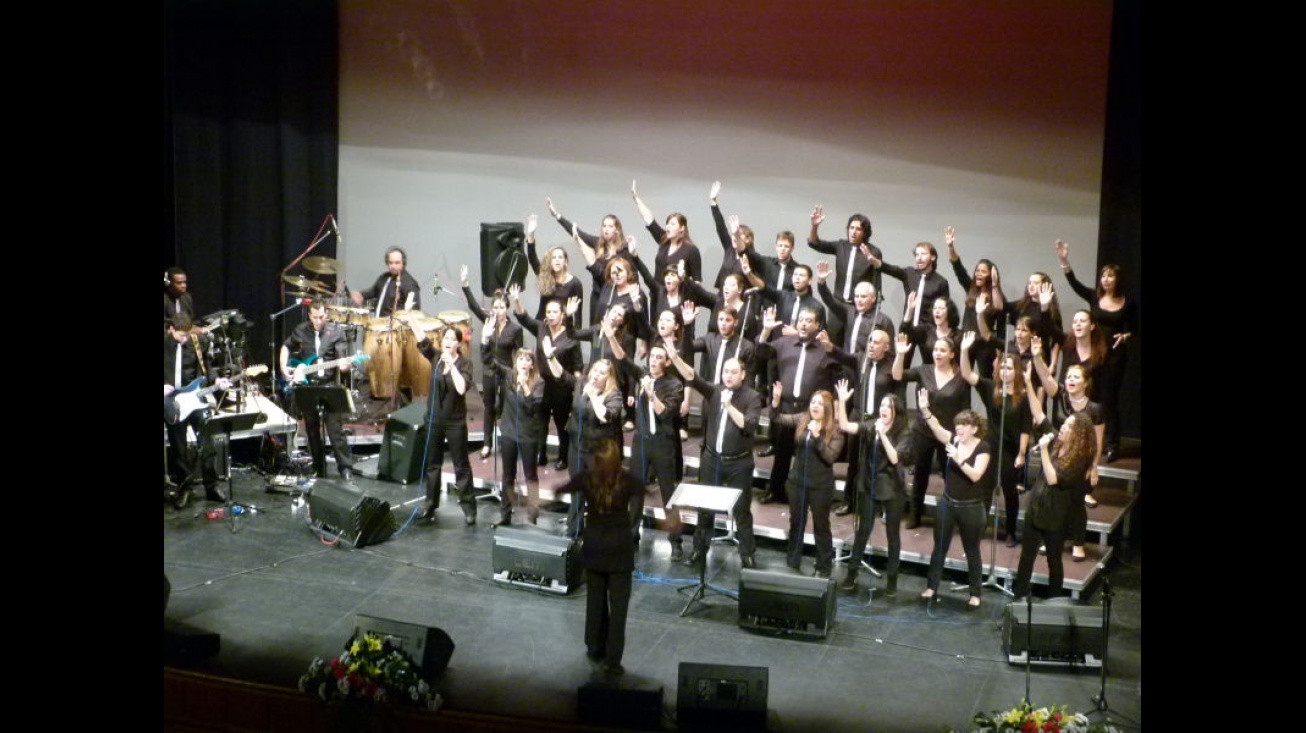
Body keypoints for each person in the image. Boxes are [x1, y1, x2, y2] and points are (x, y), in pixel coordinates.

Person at [553, 439, 642, 677]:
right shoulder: (628, 480)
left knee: (595, 601)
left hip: (594, 548)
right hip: (619, 551)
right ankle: (613, 661)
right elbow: (644, 493)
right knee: (619, 608)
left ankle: (594, 647)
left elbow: (559, 490)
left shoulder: (586, 478)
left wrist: (534, 499)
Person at [753, 306, 856, 504]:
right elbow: (761, 351)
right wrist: (766, 330)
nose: (803, 324)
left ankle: (806, 495)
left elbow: (839, 378)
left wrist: (835, 407)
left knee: (809, 452)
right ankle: (776, 490)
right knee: (781, 453)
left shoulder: (825, 349)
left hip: (812, 411)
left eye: (808, 320)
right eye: (801, 320)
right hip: (786, 407)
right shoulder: (784, 342)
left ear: (817, 325)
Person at [672, 356, 764, 569]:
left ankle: (747, 554)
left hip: (738, 463)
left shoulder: (752, 397)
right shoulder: (715, 391)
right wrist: (675, 356)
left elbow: (748, 425)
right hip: (712, 459)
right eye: (725, 371)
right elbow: (691, 376)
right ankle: (699, 549)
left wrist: (730, 406)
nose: (728, 375)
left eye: (733, 372)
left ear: (742, 374)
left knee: (741, 511)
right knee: (705, 509)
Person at [1056, 239, 1138, 462]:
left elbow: (1135, 327)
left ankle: (1112, 444)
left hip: (1114, 356)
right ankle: (1089, 441)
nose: (1106, 279)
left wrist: (1126, 335)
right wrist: (1065, 261)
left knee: (1108, 400)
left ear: (1117, 279)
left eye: (1110, 276)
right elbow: (1075, 284)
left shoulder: (1127, 302)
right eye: (1104, 276)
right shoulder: (1094, 296)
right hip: (1094, 354)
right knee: (1090, 396)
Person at [834, 381, 912, 596]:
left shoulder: (903, 432)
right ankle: (851, 575)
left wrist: (883, 435)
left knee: (892, 534)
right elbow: (845, 426)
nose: (883, 409)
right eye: (882, 406)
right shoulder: (871, 425)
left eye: (888, 406)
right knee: (862, 532)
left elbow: (896, 458)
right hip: (870, 484)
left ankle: (892, 580)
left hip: (893, 486)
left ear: (896, 411)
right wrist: (841, 402)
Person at [1012, 406, 1097, 599]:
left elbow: (1053, 479)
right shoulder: (1056, 442)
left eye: (1069, 427)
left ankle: (1054, 600)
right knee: (1026, 557)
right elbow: (1041, 417)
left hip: (1056, 516)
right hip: (1036, 509)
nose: (1063, 428)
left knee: (1053, 560)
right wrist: (1028, 382)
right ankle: (1018, 597)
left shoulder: (1080, 460)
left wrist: (1042, 450)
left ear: (1078, 434)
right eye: (1064, 424)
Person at [915, 398, 992, 610]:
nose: (959, 428)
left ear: (974, 428)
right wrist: (924, 409)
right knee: (939, 547)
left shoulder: (983, 447)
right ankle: (932, 587)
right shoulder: (953, 441)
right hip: (948, 504)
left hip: (971, 508)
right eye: (958, 424)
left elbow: (976, 475)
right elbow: (936, 427)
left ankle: (975, 593)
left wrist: (958, 458)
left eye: (964, 425)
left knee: (972, 550)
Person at [1029, 343, 1103, 562]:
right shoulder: (1060, 395)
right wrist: (1037, 357)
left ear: (1086, 382)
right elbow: (1045, 376)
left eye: (1076, 377)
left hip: (1079, 464)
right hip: (1056, 456)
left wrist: (1094, 466)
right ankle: (1052, 539)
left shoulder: (1095, 409)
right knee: (1053, 500)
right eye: (1068, 376)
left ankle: (1078, 543)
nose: (1070, 380)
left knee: (1075, 503)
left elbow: (1097, 441)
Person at [891, 332, 971, 529]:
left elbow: (965, 409)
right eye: (936, 350)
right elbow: (897, 375)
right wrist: (900, 354)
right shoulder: (923, 370)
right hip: (923, 431)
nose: (937, 353)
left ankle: (949, 517)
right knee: (920, 474)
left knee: (950, 476)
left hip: (947, 435)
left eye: (942, 350)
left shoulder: (961, 377)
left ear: (952, 354)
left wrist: (962, 437)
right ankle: (915, 515)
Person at [959, 334, 1032, 548]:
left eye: (1009, 368)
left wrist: (1021, 453)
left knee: (1010, 490)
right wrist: (964, 350)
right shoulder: (991, 388)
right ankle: (980, 526)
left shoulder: (1023, 396)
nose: (1005, 371)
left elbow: (1026, 428)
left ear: (1017, 371)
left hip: (1011, 449)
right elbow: (966, 374)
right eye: (1002, 368)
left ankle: (1010, 531)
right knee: (985, 488)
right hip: (990, 446)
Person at [769, 385, 845, 578]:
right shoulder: (803, 419)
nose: (815, 406)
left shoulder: (835, 431)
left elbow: (830, 457)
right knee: (796, 523)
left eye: (819, 403)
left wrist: (818, 436)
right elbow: (777, 418)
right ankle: (792, 562)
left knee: (821, 526)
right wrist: (776, 402)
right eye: (813, 402)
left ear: (827, 408)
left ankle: (823, 567)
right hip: (797, 483)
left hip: (820, 486)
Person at [279, 302, 356, 481]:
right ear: (309, 315)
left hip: (328, 385)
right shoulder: (300, 330)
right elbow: (286, 346)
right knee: (312, 430)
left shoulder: (335, 332)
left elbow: (342, 360)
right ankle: (318, 466)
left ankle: (345, 468)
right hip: (307, 386)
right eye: (315, 317)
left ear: (326, 314)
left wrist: (345, 365)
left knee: (335, 429)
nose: (318, 321)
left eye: (321, 317)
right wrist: (284, 366)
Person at [511, 285, 584, 469]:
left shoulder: (571, 335)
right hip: (541, 384)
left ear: (562, 314)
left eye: (554, 312)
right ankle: (541, 454)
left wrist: (578, 389)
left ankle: (563, 457)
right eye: (548, 311)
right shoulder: (541, 328)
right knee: (541, 421)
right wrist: (516, 300)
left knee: (561, 423)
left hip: (562, 386)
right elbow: (524, 318)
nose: (550, 315)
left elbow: (577, 366)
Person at [164, 312, 231, 505]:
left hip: (194, 399)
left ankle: (212, 486)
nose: (185, 339)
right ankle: (185, 488)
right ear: (171, 330)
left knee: (207, 442)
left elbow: (207, 368)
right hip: (171, 402)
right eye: (181, 335)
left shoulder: (196, 343)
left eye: (187, 334)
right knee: (179, 448)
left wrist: (217, 380)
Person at [552, 358, 624, 535]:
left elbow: (605, 416)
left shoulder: (614, 395)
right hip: (577, 446)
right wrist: (550, 358)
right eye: (595, 370)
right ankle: (574, 528)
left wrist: (592, 395)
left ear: (609, 378)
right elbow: (562, 375)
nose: (596, 375)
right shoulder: (581, 384)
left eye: (601, 372)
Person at [413, 322, 474, 525]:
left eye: (452, 339)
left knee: (461, 465)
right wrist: (411, 314)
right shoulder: (436, 357)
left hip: (455, 422)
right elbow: (422, 338)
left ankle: (468, 508)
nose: (448, 342)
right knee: (433, 465)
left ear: (458, 343)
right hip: (434, 420)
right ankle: (430, 505)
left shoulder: (465, 364)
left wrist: (451, 366)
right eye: (445, 338)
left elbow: (461, 388)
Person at [461, 266, 524, 460]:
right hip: (489, 372)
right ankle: (487, 443)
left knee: (506, 409)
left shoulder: (515, 329)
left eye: (501, 308)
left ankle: (507, 441)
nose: (498, 311)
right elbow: (472, 305)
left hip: (506, 373)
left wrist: (517, 373)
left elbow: (519, 352)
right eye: (495, 308)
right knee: (489, 409)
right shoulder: (488, 321)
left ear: (507, 308)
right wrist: (465, 285)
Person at [629, 344, 685, 556]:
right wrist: (609, 336)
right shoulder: (642, 376)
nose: (653, 360)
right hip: (641, 441)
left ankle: (675, 540)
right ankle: (632, 533)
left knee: (668, 494)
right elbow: (623, 359)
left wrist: (652, 396)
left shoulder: (674, 385)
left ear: (667, 362)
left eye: (659, 357)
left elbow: (665, 414)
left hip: (662, 443)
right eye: (652, 356)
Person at [545, 196, 634, 326]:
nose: (606, 229)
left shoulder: (624, 249)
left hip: (615, 294)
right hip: (597, 295)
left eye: (610, 226)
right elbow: (577, 233)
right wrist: (556, 215)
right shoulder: (597, 243)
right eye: (604, 226)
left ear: (617, 230)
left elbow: (632, 274)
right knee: (595, 329)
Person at [868, 240, 951, 367]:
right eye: (917, 255)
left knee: (930, 366)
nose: (919, 258)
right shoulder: (909, 273)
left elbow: (945, 308)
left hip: (928, 329)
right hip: (908, 327)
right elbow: (890, 269)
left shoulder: (941, 282)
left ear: (933, 257)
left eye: (923, 254)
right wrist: (873, 260)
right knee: (901, 365)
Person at [492, 348, 545, 526]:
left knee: (530, 475)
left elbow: (534, 408)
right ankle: (505, 514)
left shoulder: (539, 382)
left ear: (532, 365)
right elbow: (490, 362)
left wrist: (524, 387)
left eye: (527, 359)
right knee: (508, 475)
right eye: (520, 359)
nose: (523, 362)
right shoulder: (509, 376)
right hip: (509, 432)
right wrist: (485, 341)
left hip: (528, 434)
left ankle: (532, 514)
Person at [945, 227, 1005, 379]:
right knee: (962, 379)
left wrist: (1000, 356)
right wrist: (951, 247)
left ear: (991, 275)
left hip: (985, 345)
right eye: (977, 270)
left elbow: (999, 313)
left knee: (987, 381)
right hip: (966, 341)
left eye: (983, 271)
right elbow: (958, 268)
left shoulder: (996, 296)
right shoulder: (971, 288)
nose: (979, 273)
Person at [631, 179, 703, 284]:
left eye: (672, 224)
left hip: (678, 296)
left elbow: (697, 281)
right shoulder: (664, 240)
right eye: (667, 224)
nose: (668, 227)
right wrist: (636, 198)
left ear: (682, 228)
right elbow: (649, 219)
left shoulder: (691, 250)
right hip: (658, 295)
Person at [807, 206, 882, 301]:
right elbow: (814, 243)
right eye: (851, 228)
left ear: (865, 233)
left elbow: (876, 284)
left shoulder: (874, 252)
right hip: (837, 303)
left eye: (858, 229)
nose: (853, 232)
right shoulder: (841, 246)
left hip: (858, 305)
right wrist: (814, 226)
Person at [525, 214, 584, 329]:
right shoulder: (546, 276)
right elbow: (532, 259)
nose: (556, 260)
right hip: (543, 325)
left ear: (565, 262)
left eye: (560, 258)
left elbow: (578, 314)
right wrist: (531, 235)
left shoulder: (575, 283)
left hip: (563, 328)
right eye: (553, 258)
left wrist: (576, 336)